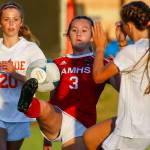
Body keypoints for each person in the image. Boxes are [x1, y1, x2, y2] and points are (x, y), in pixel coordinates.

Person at [17, 16, 119, 150]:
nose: (78, 33)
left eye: (84, 30)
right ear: (68, 36)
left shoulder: (100, 62)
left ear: (92, 37)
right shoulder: (57, 63)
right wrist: (46, 139)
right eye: (74, 30)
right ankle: (28, 103)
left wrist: (118, 69)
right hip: (57, 116)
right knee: (45, 107)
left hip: (81, 125)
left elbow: (121, 88)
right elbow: (52, 97)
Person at [83, 1, 150, 150]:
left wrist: (100, 47)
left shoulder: (132, 52)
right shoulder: (139, 49)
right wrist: (122, 44)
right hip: (143, 127)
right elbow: (124, 81)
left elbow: (98, 76)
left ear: (130, 26)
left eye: (123, 24)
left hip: (130, 132)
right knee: (90, 137)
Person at [0, 1, 46, 150]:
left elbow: (41, 81)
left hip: (19, 114)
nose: (11, 23)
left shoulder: (31, 49)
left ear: (21, 23)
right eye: (6, 19)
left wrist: (14, 73)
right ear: (0, 22)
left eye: (15, 19)